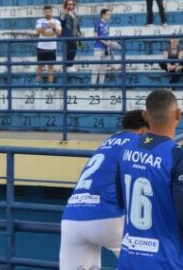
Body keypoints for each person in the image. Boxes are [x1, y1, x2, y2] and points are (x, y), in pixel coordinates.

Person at [116, 89, 183, 269]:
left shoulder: (126, 149)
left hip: (129, 260)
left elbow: (121, 201)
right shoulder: (179, 157)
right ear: (178, 114)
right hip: (164, 262)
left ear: (145, 115)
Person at [60, 110, 150, 270]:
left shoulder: (108, 141)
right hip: (107, 215)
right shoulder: (139, 142)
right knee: (146, 261)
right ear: (144, 130)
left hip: (72, 216)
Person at [35, 6, 62, 86]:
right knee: (40, 66)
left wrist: (53, 28)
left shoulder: (56, 21)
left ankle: (50, 84)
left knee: (51, 66)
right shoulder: (39, 21)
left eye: (49, 12)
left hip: (52, 47)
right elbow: (38, 31)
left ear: (52, 12)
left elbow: (59, 33)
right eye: (46, 12)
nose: (47, 13)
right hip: (41, 47)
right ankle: (38, 83)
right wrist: (47, 26)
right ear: (44, 13)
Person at [92, 9, 119, 85]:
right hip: (98, 47)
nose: (109, 16)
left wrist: (109, 43)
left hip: (106, 48)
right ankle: (92, 85)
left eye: (110, 14)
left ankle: (101, 84)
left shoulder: (107, 24)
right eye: (108, 14)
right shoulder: (98, 23)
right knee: (96, 67)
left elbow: (106, 35)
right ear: (103, 15)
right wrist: (105, 42)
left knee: (103, 68)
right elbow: (95, 35)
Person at [60, 0, 82, 74]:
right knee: (71, 49)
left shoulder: (74, 14)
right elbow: (61, 23)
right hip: (66, 35)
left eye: (71, 4)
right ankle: (67, 66)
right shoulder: (63, 13)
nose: (70, 6)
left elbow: (77, 24)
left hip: (74, 35)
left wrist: (79, 33)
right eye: (68, 4)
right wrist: (63, 14)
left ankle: (67, 66)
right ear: (66, 5)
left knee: (71, 50)